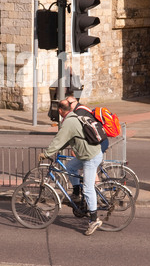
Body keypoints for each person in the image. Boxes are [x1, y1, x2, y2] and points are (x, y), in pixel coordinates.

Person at [39, 99, 103, 236]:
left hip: (90, 156)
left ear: (61, 111)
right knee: (70, 167)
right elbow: (66, 140)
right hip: (86, 154)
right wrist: (55, 150)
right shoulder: (74, 116)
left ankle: (94, 219)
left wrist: (46, 153)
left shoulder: (69, 122)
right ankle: (76, 194)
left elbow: (59, 139)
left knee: (88, 187)